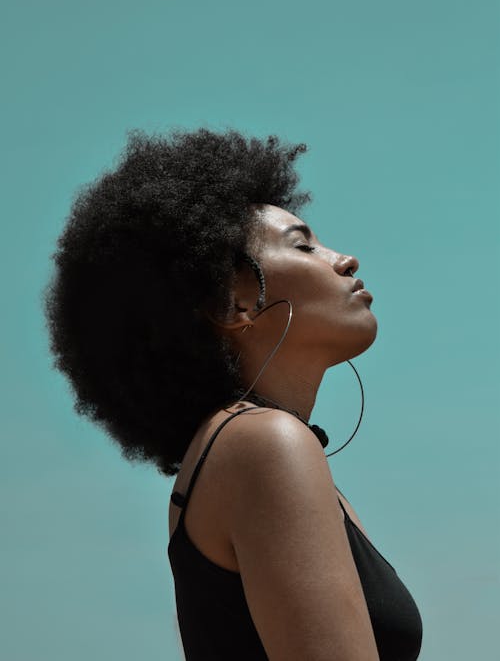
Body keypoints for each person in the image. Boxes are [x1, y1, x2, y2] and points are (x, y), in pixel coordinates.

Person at [43, 128, 423, 660]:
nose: (345, 259)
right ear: (233, 302)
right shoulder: (265, 444)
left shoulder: (254, 450)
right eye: (303, 245)